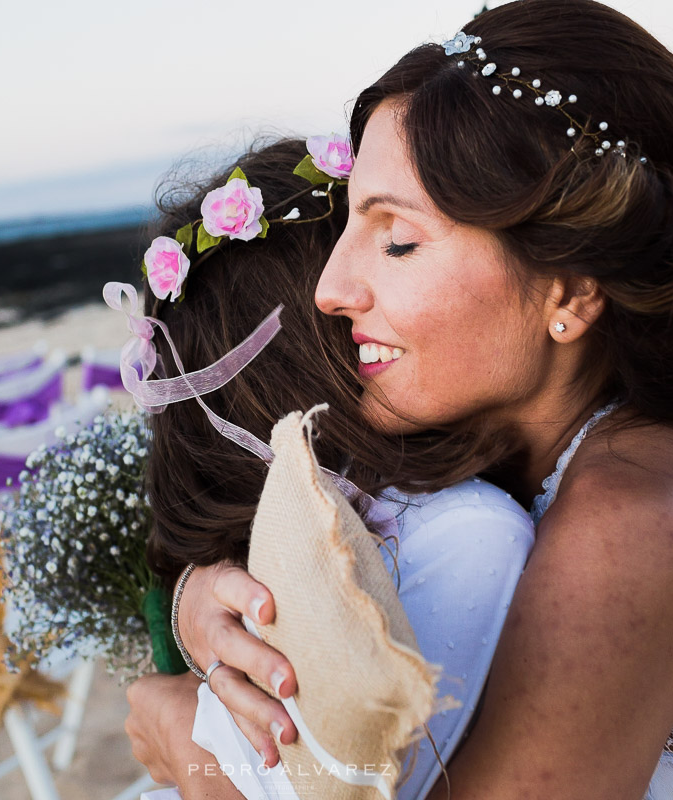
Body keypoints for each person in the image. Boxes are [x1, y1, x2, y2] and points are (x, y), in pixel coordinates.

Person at [166, 2, 673, 798]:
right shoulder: (603, 460)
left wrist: (179, 741)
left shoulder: (639, 529)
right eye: (348, 229)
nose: (330, 290)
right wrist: (200, 604)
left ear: (571, 291)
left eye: (398, 239)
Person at [120, 138, 535, 799]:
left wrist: (175, 723)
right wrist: (190, 608)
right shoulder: (266, 560)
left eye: (396, 246)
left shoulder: (465, 534)